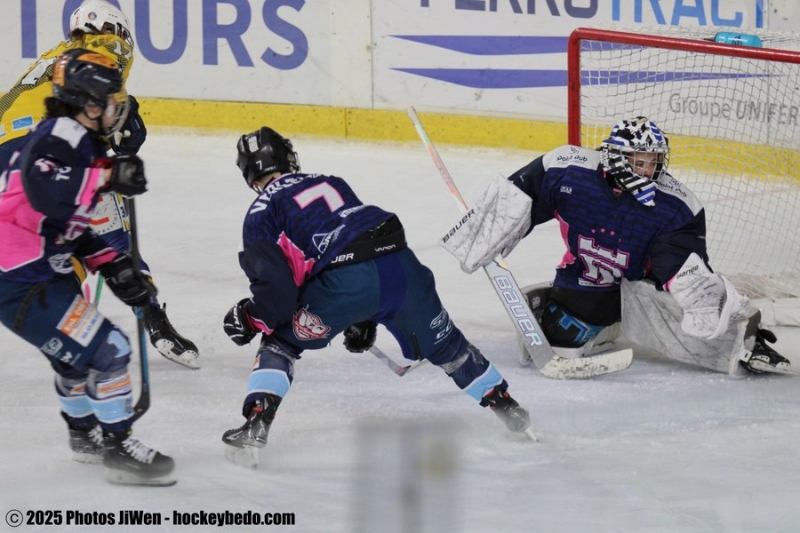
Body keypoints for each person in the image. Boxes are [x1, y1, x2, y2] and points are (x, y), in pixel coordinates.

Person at [220, 126, 533, 466]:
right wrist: (365, 314)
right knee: (446, 346)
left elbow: (278, 296)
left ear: (249, 174)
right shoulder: (330, 180)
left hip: (345, 283)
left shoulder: (260, 213)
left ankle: (256, 424)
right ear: (287, 156)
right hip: (402, 266)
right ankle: (508, 408)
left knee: (279, 343)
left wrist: (250, 317)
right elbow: (354, 240)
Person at [440, 116, 791, 376]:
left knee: (702, 325)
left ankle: (744, 341)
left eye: (654, 161)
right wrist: (486, 230)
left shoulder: (676, 205)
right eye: (641, 161)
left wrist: (701, 297)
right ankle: (594, 320)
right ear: (616, 157)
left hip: (641, 286)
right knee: (561, 338)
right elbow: (521, 196)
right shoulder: (567, 169)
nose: (650, 169)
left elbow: (679, 263)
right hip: (586, 280)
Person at [0, 49, 174, 485]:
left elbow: (60, 220)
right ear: (89, 105)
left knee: (75, 361)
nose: (118, 109)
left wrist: (112, 264)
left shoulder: (71, 141)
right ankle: (118, 446)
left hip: (30, 271)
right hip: (17, 279)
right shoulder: (64, 135)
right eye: (111, 101)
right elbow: (45, 190)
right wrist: (108, 178)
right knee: (109, 349)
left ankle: (84, 435)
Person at [0, 0, 199, 369]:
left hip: (9, 159)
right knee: (110, 231)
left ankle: (66, 326)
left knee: (58, 240)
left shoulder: (54, 57)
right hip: (49, 151)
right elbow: (105, 99)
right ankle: (152, 318)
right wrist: (128, 115)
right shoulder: (103, 47)